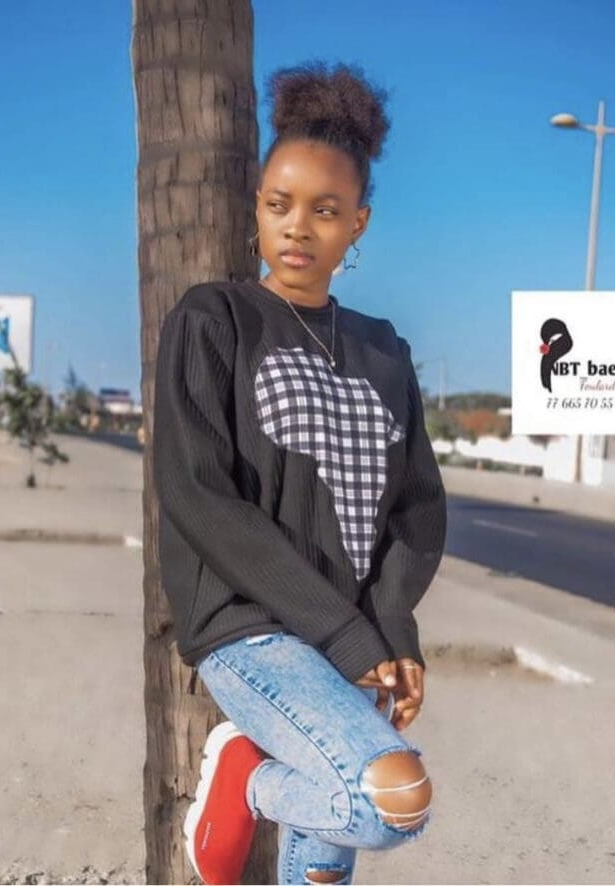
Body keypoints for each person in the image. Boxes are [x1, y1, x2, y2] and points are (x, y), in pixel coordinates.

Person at [152, 60, 447, 885]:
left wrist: (393, 631)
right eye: (279, 205)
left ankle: (265, 784)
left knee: (323, 872)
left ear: (358, 223)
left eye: (325, 210)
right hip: (248, 628)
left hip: (352, 637)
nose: (298, 228)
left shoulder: (383, 349)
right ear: (257, 208)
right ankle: (250, 780)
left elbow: (415, 511)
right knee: (391, 800)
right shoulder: (215, 319)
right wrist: (345, 633)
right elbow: (198, 492)